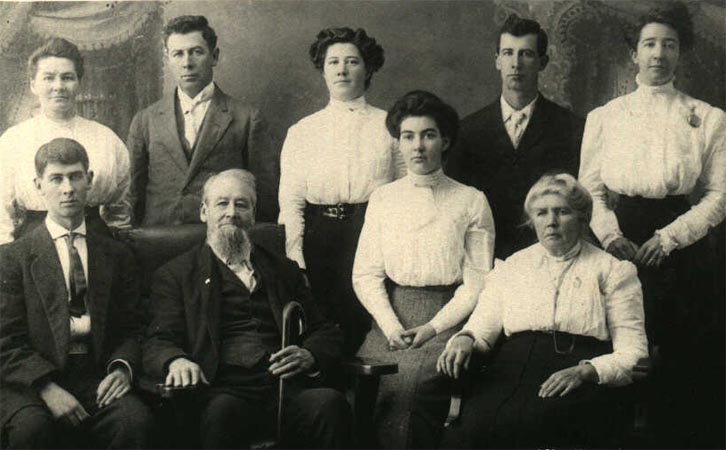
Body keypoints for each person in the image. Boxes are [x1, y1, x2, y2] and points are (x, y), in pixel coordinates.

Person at [578, 3, 725, 446]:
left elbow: (720, 194)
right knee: (619, 340)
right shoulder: (605, 116)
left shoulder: (710, 117)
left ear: (681, 53)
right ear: (634, 54)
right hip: (620, 234)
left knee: (683, 353)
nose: (658, 54)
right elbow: (590, 191)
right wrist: (610, 235)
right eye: (649, 44)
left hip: (683, 237)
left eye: (669, 44)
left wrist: (671, 237)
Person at [142, 169, 352, 449]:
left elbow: (324, 330)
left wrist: (310, 354)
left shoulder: (283, 270)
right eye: (221, 203)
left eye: (241, 204)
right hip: (223, 391)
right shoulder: (176, 274)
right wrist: (175, 360)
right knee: (221, 414)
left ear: (253, 214)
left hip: (283, 390)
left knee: (329, 403)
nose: (231, 212)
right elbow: (159, 339)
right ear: (204, 212)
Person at [436, 173, 648, 448]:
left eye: (562, 212)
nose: (551, 222)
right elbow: (483, 324)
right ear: (532, 220)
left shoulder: (613, 271)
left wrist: (587, 371)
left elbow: (634, 353)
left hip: (575, 373)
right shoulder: (513, 265)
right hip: (511, 369)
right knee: (474, 427)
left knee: (543, 424)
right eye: (542, 213)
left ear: (583, 219)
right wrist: (466, 337)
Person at [353, 91, 495, 449]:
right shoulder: (383, 199)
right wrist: (390, 326)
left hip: (449, 319)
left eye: (428, 135)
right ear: (398, 142)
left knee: (410, 393)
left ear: (445, 140)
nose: (418, 146)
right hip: (391, 318)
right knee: (369, 389)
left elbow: (478, 282)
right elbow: (366, 274)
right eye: (408, 136)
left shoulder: (471, 200)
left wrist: (434, 328)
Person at [0, 138, 154, 449]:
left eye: (75, 176)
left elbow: (135, 325)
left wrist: (122, 368)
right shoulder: (12, 258)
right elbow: (5, 339)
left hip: (97, 374)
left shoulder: (116, 253)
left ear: (90, 180)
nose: (67, 188)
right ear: (39, 185)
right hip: (32, 382)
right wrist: (46, 387)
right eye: (56, 178)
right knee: (31, 431)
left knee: (134, 422)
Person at [278, 27, 405, 355]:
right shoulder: (302, 131)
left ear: (368, 68)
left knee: (368, 324)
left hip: (373, 233)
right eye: (333, 62)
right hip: (320, 238)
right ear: (323, 70)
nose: (342, 69)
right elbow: (290, 203)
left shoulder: (390, 126)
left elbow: (407, 192)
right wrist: (296, 259)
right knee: (323, 330)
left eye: (352, 61)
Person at [445, 14, 584, 260]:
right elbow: (456, 204)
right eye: (508, 53)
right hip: (487, 259)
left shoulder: (572, 128)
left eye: (526, 54)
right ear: (497, 60)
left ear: (543, 62)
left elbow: (580, 202)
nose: (516, 64)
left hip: (551, 258)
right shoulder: (468, 130)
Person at [128, 15, 277, 226]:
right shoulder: (145, 120)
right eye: (178, 54)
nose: (187, 63)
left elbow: (266, 197)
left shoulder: (247, 118)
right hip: (159, 241)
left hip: (221, 238)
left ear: (214, 56)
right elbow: (133, 195)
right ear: (168, 58)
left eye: (196, 52)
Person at [0, 38, 131, 245]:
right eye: (49, 78)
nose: (58, 86)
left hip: (96, 240)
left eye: (67, 77)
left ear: (79, 82)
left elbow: (120, 206)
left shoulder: (106, 138)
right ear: (33, 85)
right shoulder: (13, 141)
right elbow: (1, 215)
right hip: (34, 242)